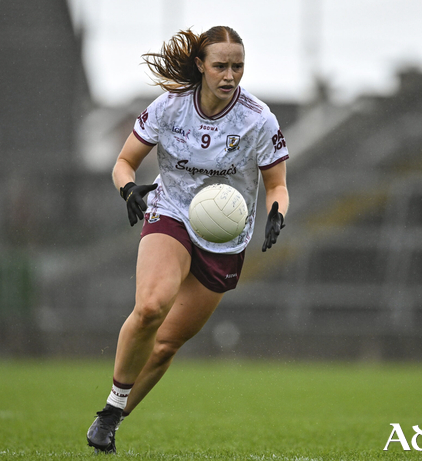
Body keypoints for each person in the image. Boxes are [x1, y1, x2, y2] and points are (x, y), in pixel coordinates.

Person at [86, 25, 289, 454]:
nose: (230, 75)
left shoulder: (258, 119)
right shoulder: (169, 108)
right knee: (151, 307)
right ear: (201, 66)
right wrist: (129, 188)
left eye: (238, 66)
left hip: (225, 236)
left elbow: (277, 186)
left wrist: (276, 213)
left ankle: (113, 411)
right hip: (172, 212)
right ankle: (109, 413)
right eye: (220, 66)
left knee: (165, 347)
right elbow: (124, 161)